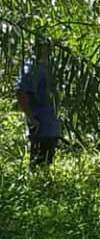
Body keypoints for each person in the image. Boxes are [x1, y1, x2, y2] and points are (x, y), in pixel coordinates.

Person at [16, 36, 62, 167]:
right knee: (38, 164)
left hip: (51, 126)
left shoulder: (50, 68)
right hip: (40, 126)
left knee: (47, 164)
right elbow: (21, 92)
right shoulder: (31, 68)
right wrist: (31, 118)